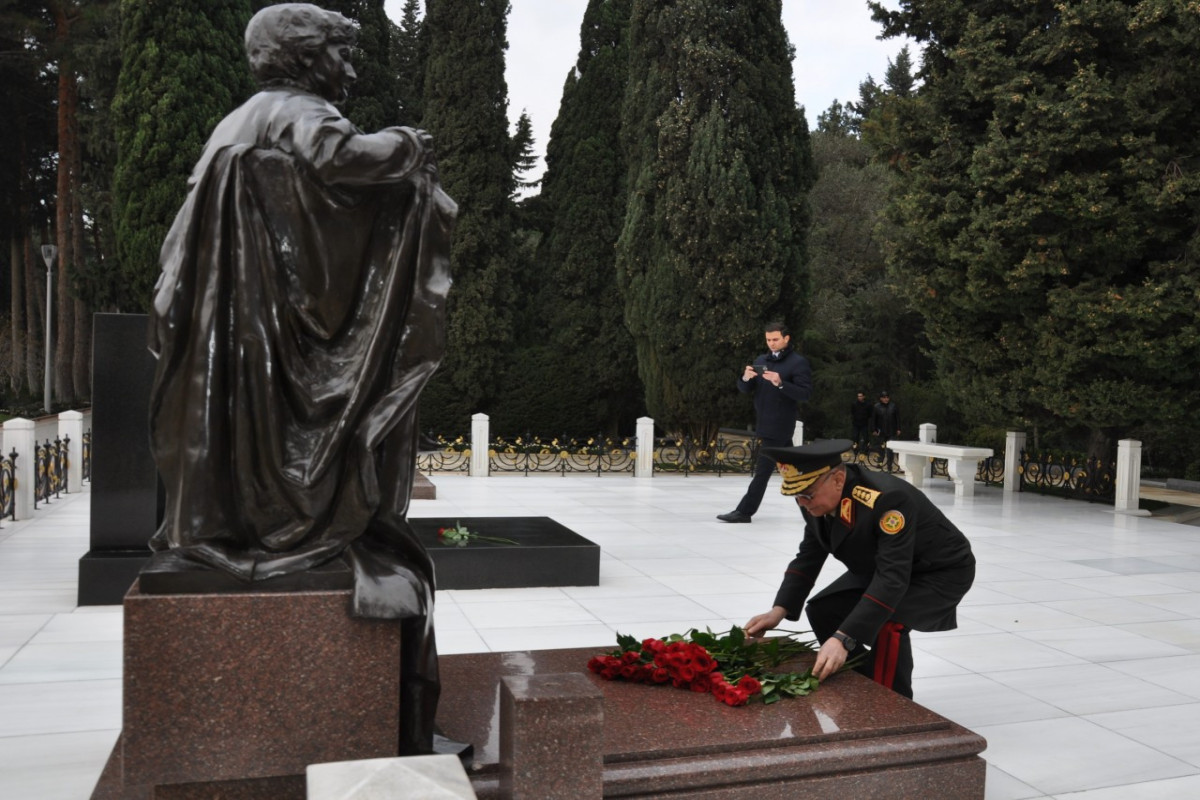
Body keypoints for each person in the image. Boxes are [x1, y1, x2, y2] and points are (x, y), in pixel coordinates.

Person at [147, 3, 455, 755]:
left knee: (246, 434)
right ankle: (291, 518)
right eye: (341, 57)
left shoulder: (236, 122)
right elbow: (348, 163)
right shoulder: (299, 112)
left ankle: (241, 514)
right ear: (305, 58)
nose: (350, 71)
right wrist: (409, 148)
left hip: (237, 339)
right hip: (265, 333)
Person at [744, 439, 975, 698]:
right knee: (824, 609)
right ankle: (860, 684)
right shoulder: (815, 500)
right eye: (795, 496)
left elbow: (892, 579)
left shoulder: (887, 500)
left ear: (838, 479)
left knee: (887, 622)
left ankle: (890, 703)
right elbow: (809, 554)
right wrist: (779, 610)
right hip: (886, 565)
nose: (802, 503)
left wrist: (844, 637)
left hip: (939, 571)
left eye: (807, 495)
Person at [717, 322, 812, 523]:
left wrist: (780, 384)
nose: (772, 343)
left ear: (786, 338)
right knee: (794, 474)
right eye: (768, 340)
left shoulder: (798, 363)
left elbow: (805, 394)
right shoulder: (761, 360)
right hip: (765, 424)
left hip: (780, 426)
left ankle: (744, 512)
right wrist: (745, 377)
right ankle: (815, 511)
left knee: (762, 473)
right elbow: (745, 388)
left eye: (775, 339)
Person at [873, 390, 901, 472]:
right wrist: (874, 429)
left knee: (890, 450)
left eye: (887, 397)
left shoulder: (893, 406)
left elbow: (898, 418)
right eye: (884, 397)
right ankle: (880, 464)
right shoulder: (876, 407)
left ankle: (889, 466)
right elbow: (874, 419)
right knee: (880, 449)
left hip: (891, 431)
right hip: (881, 431)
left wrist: (899, 428)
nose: (886, 399)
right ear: (881, 398)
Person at [849, 390, 872, 459]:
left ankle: (866, 450)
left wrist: (865, 418)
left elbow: (870, 414)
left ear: (864, 396)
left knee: (866, 437)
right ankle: (855, 450)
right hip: (856, 423)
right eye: (858, 396)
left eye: (861, 396)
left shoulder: (868, 404)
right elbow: (852, 412)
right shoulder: (854, 404)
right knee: (855, 437)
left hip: (864, 423)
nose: (859, 397)